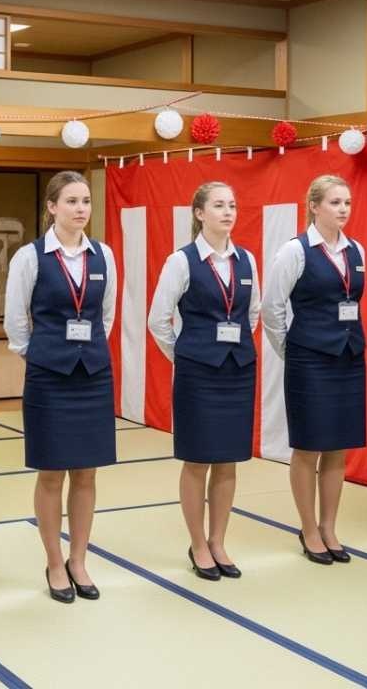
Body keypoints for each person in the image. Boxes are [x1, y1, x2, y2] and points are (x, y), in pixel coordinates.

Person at [5, 171, 116, 603]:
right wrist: (43, 356)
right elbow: (17, 321)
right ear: (51, 207)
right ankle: (54, 561)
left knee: (86, 472)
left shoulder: (103, 255)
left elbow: (105, 316)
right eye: (71, 201)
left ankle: (79, 559)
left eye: (85, 201)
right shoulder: (30, 257)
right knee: (51, 472)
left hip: (93, 375)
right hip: (49, 376)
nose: (80, 209)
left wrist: (86, 351)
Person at [148, 181, 260, 580]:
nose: (228, 212)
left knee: (228, 460)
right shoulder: (181, 262)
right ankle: (197, 543)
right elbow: (158, 320)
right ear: (199, 214)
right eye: (219, 206)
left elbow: (252, 314)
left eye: (232, 205)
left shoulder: (246, 260)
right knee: (197, 460)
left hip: (237, 370)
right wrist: (187, 355)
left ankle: (218, 541)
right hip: (198, 373)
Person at [262, 175, 366, 566]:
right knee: (308, 446)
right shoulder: (295, 251)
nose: (343, 209)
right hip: (309, 359)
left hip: (349, 357)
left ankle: (329, 526)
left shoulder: (356, 250)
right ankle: (308, 528)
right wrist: (291, 351)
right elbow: (272, 309)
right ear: (314, 206)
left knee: (338, 447)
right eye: (335, 202)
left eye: (347, 202)